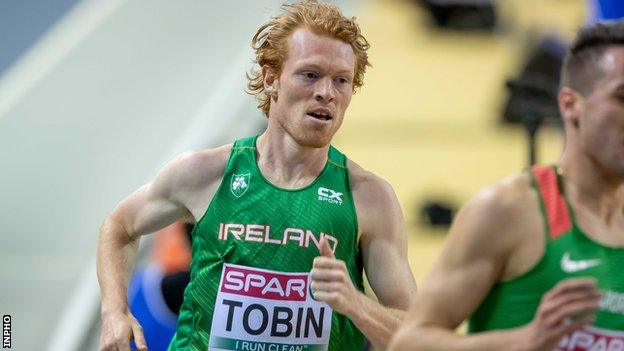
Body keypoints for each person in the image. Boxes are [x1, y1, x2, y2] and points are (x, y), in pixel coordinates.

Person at [97, 1, 417, 350]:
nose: (327, 92)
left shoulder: (368, 197)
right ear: (270, 78)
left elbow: (416, 337)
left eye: (341, 80)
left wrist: (356, 304)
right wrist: (115, 311)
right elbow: (119, 227)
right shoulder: (206, 173)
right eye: (310, 75)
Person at [389, 20, 624, 351]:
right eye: (622, 97)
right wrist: (523, 341)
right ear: (571, 105)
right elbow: (409, 343)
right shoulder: (509, 209)